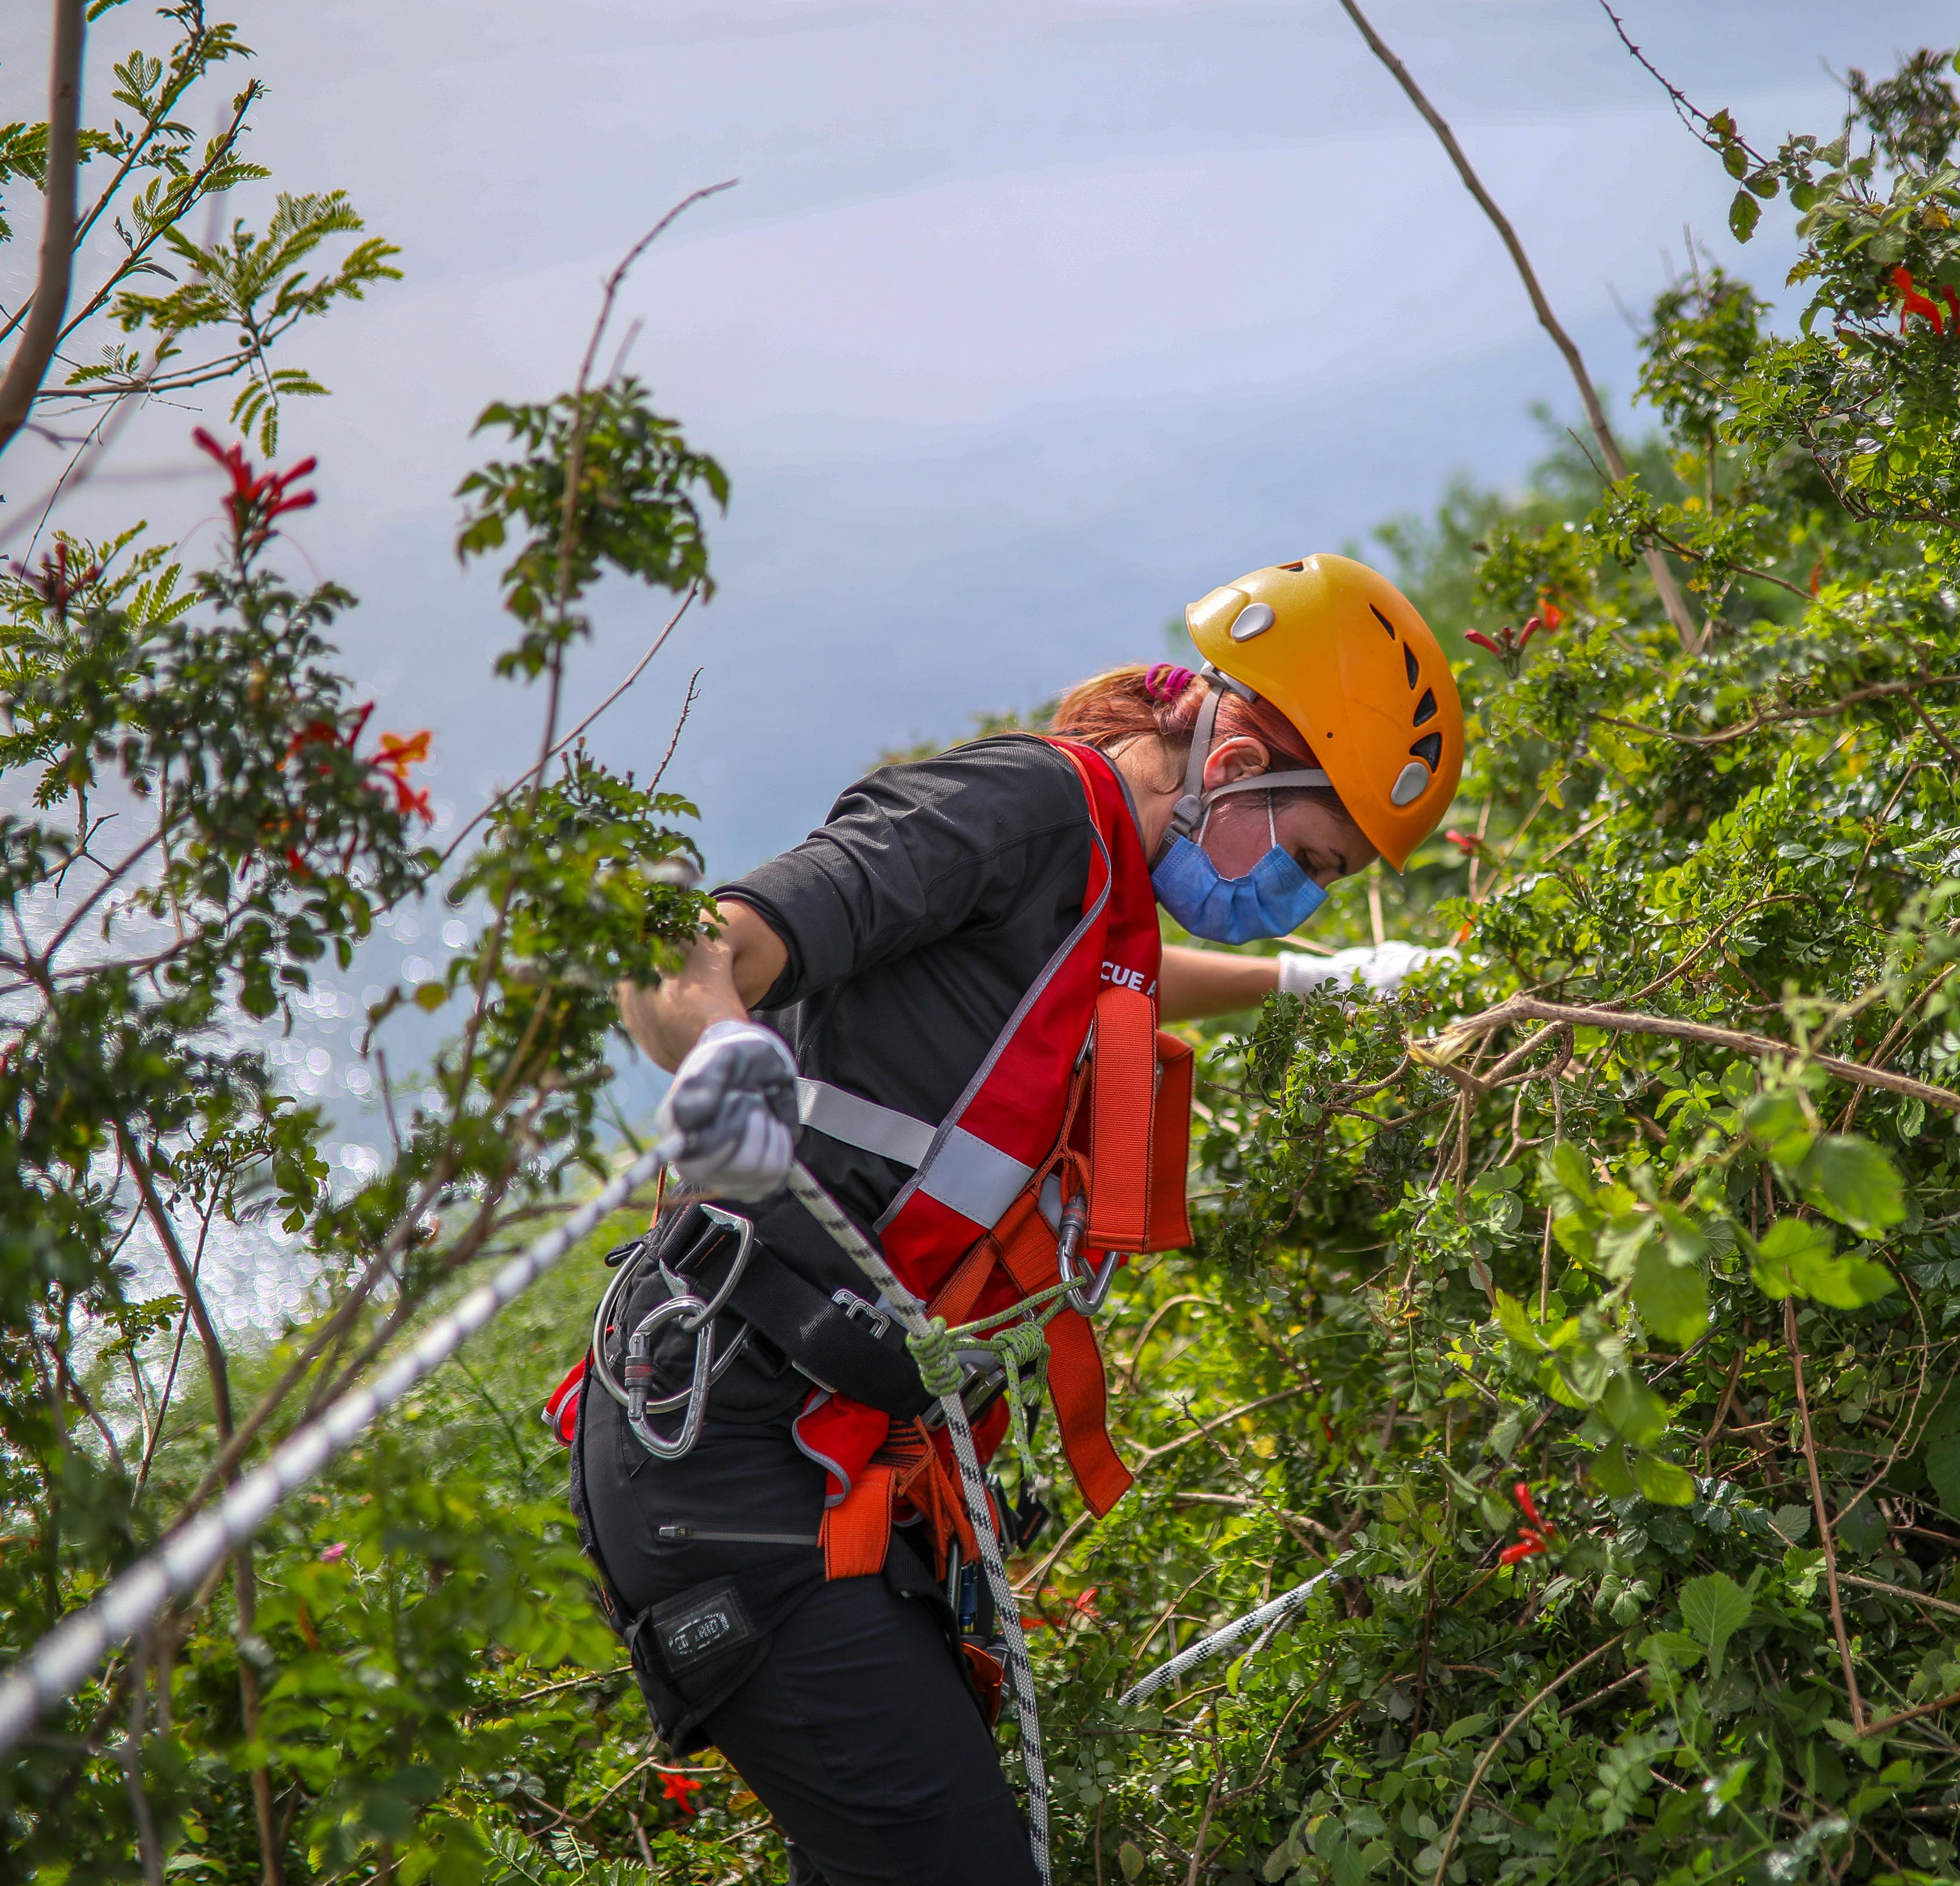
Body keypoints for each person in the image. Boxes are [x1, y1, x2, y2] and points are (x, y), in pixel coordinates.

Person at [547, 553, 1466, 1885]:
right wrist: (717, 1053)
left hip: (840, 1461)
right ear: (1244, 751)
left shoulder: (1105, 879)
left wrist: (1316, 985)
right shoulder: (1023, 806)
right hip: (735, 1459)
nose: (1301, 894)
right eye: (1309, 861)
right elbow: (686, 941)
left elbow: (1121, 979)